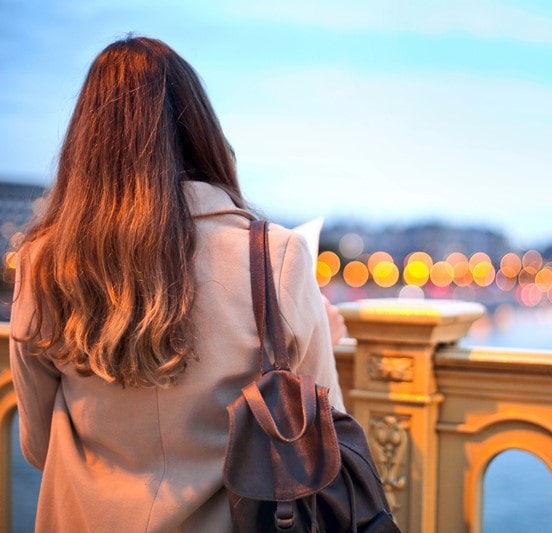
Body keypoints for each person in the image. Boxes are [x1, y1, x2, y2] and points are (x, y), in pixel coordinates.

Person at [10, 35, 345, 532]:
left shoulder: (43, 262)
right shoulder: (275, 256)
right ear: (202, 132)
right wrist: (325, 331)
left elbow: (37, 446)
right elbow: (325, 434)